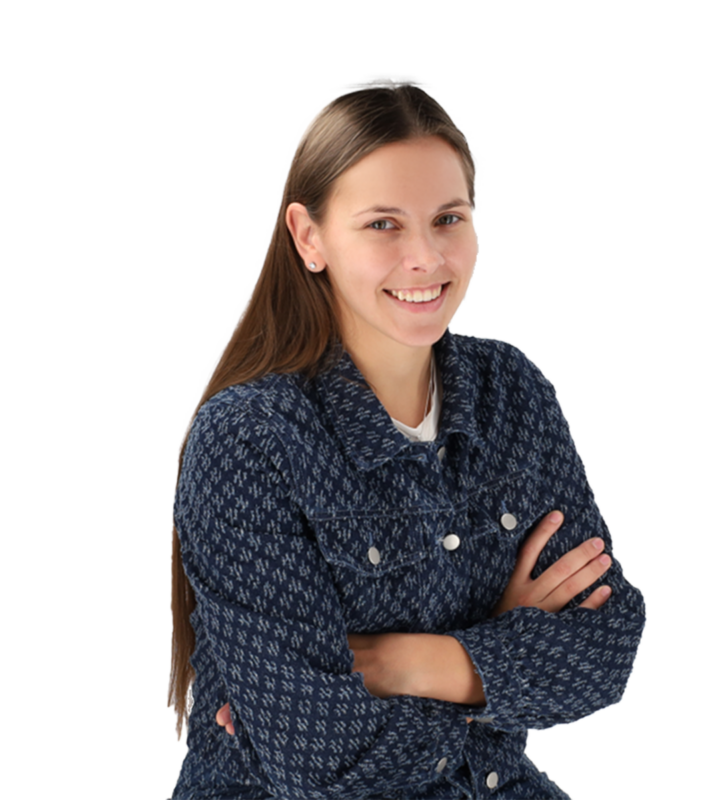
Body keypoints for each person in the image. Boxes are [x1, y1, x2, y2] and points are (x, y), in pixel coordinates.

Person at [167, 74, 647, 800]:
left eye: (448, 218)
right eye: (383, 225)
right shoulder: (250, 441)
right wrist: (499, 656)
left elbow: (605, 645)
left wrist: (402, 663)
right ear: (309, 237)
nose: (426, 257)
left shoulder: (509, 389)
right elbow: (322, 759)